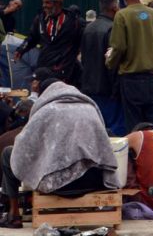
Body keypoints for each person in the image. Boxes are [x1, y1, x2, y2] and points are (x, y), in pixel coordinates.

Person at [1, 79, 120, 229]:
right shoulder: (90, 108)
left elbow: (24, 147)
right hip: (96, 181)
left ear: (46, 95)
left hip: (57, 185)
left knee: (8, 154)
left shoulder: (47, 111)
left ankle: (14, 215)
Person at [107, 0, 153, 131]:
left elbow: (119, 46)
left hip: (131, 78)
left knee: (134, 125)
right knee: (152, 124)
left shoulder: (122, 15)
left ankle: (137, 155)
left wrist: (110, 62)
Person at [14, 0, 83, 85]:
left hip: (64, 69)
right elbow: (32, 38)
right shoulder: (40, 19)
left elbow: (81, 42)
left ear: (58, 3)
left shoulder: (73, 22)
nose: (44, 6)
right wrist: (21, 49)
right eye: (43, 3)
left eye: (47, 3)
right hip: (45, 65)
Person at [80, 0, 124, 135]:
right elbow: (112, 61)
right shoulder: (112, 29)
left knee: (94, 129)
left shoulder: (89, 28)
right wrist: (116, 88)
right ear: (115, 7)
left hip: (90, 87)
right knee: (114, 131)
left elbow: (84, 58)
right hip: (108, 89)